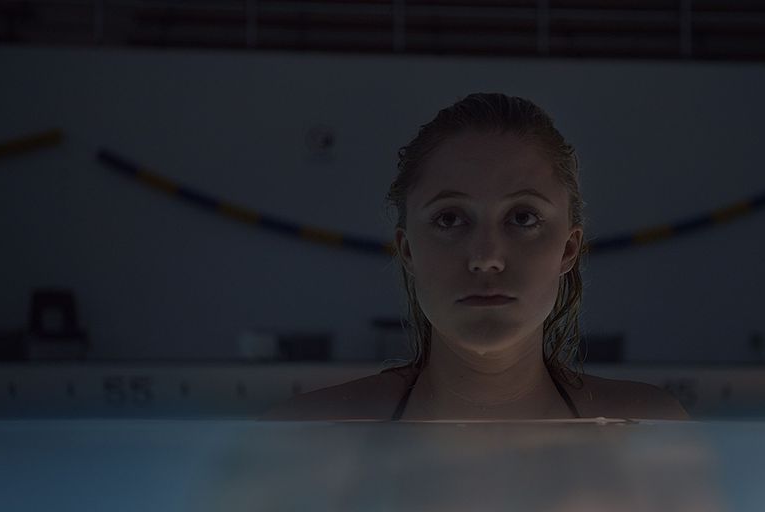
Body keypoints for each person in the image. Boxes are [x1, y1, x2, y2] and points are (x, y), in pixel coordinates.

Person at [262, 93, 689, 421]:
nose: (486, 258)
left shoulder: (652, 435)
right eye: (450, 219)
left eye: (523, 217)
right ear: (407, 249)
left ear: (569, 248)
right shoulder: (298, 437)